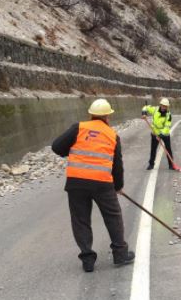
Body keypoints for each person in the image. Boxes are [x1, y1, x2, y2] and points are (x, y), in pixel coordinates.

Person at [51, 98, 135, 272]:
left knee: (80, 220)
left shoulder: (78, 128)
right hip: (102, 183)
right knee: (112, 216)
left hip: (76, 182)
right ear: (107, 117)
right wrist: (118, 186)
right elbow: (117, 166)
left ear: (91, 114)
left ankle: (87, 259)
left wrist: (73, 152)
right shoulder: (112, 135)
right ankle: (120, 253)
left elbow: (57, 147)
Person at [142, 98, 175, 170]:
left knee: (168, 149)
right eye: (163, 105)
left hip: (164, 134)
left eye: (165, 106)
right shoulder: (155, 109)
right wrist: (144, 113)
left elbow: (167, 127)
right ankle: (151, 164)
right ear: (160, 105)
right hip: (154, 133)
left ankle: (171, 165)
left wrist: (160, 135)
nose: (164, 107)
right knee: (153, 149)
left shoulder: (168, 115)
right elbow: (145, 107)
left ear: (167, 107)